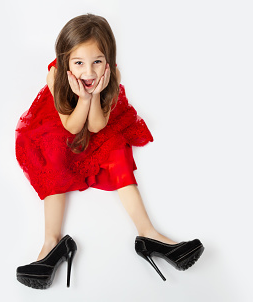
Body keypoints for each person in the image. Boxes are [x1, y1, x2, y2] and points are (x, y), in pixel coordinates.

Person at [15, 14, 204, 289]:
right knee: (53, 154)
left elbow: (96, 127)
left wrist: (92, 97)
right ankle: (51, 245)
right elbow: (71, 126)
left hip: (95, 116)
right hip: (63, 119)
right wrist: (83, 97)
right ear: (65, 60)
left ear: (108, 60)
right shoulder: (56, 75)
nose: (89, 73)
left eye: (97, 62)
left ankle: (149, 235)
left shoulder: (111, 76)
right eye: (79, 63)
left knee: (116, 151)